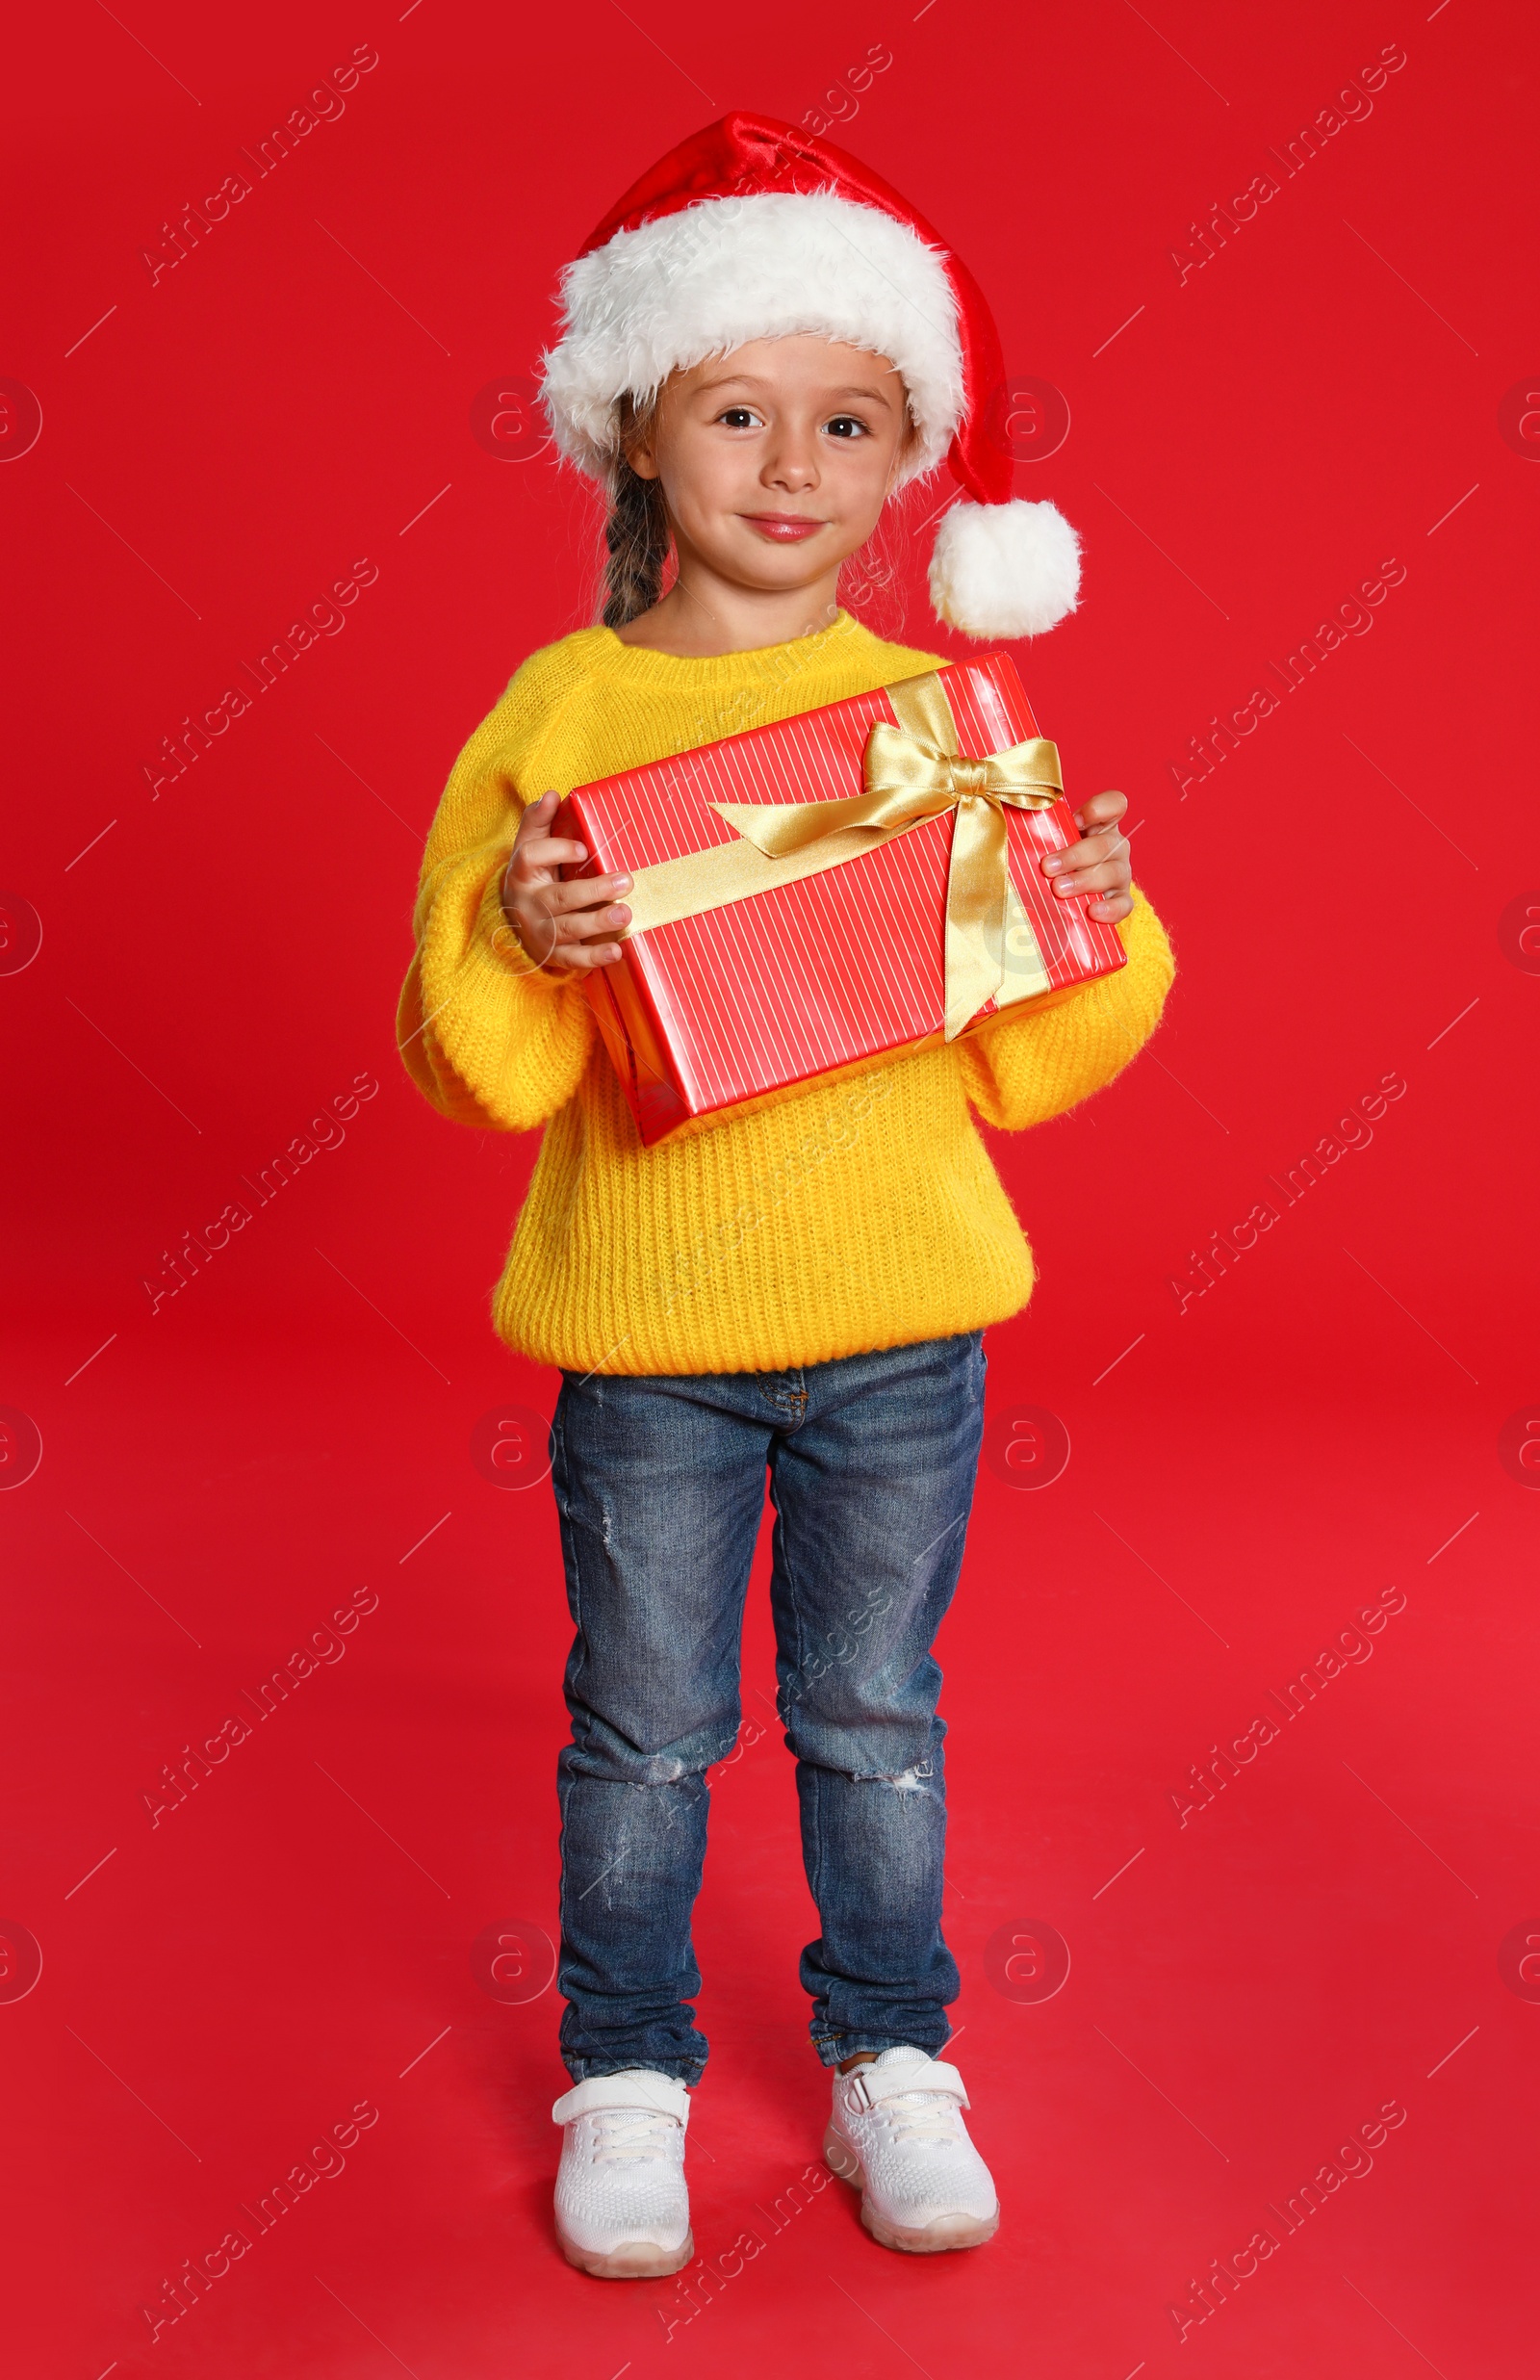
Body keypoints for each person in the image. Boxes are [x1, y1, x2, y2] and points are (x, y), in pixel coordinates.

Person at [398, 114, 1174, 2279]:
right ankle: (625, 2068)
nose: (791, 460)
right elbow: (476, 1061)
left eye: (847, 418)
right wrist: (517, 939)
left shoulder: (936, 713)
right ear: (634, 433)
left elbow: (1032, 1059)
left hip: (900, 1332)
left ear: (907, 457)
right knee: (642, 1733)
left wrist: (1096, 920)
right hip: (648, 1345)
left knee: (870, 1715)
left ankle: (887, 2056)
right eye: (736, 408)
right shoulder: (561, 708)